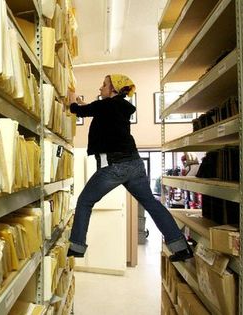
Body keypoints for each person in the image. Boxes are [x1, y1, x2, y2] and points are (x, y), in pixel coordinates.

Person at [67, 74, 193, 262]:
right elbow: (93, 108)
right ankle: (181, 247)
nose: (100, 88)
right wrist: (81, 103)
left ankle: (76, 247)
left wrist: (71, 99)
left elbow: (78, 110)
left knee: (85, 201)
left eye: (104, 85)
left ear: (114, 90)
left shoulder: (108, 105)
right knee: (151, 203)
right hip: (135, 165)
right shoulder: (117, 107)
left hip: (114, 166)